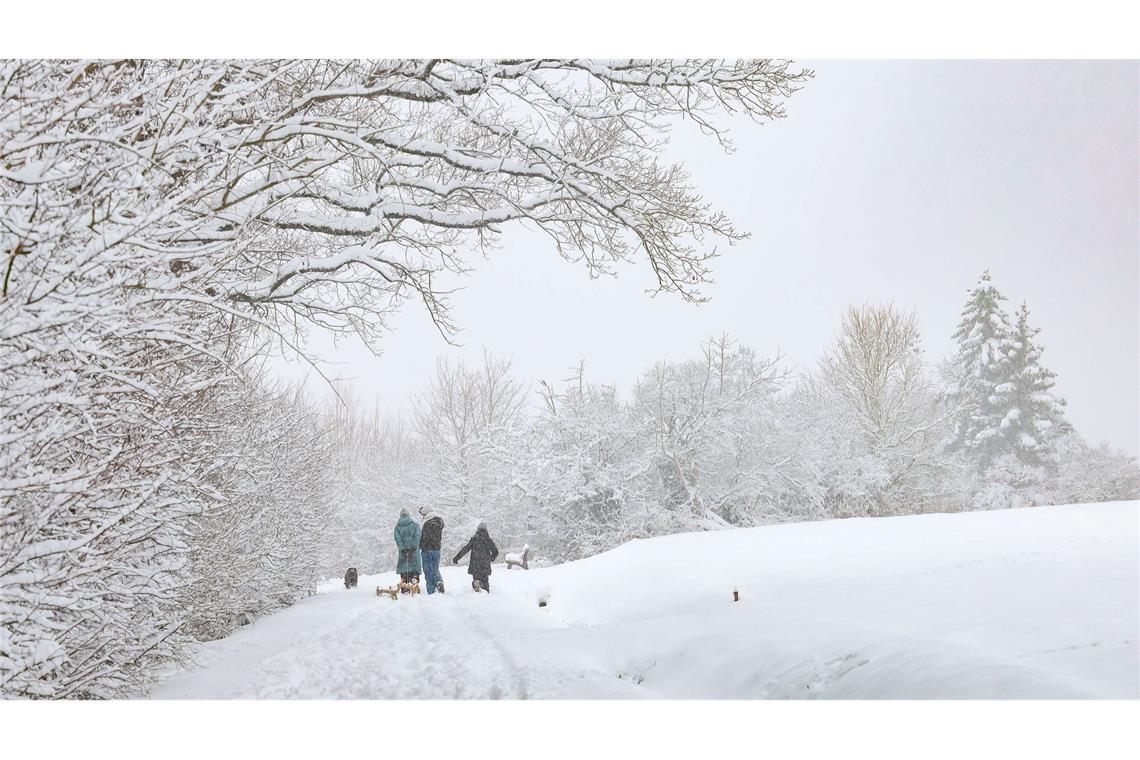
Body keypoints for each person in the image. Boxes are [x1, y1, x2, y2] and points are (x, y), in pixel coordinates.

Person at [453, 521, 499, 593]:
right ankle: (485, 591)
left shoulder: (474, 539)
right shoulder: (488, 540)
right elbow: (496, 552)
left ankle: (476, 584)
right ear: (486, 530)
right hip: (485, 565)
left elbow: (465, 549)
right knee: (485, 581)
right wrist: (490, 559)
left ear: (477, 529)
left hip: (475, 564)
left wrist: (457, 557)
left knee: (476, 578)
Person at [393, 509, 422, 592]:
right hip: (414, 551)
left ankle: (404, 585)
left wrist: (403, 550)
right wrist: (413, 548)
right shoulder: (415, 525)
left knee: (404, 567)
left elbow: (398, 539)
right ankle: (414, 582)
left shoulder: (397, 528)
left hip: (403, 552)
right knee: (414, 567)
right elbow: (417, 537)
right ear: (408, 515)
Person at [419, 510, 445, 594]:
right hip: (437, 550)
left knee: (428, 570)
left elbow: (424, 537)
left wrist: (419, 546)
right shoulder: (439, 522)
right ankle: (439, 582)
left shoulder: (427, 523)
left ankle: (431, 590)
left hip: (427, 549)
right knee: (435, 568)